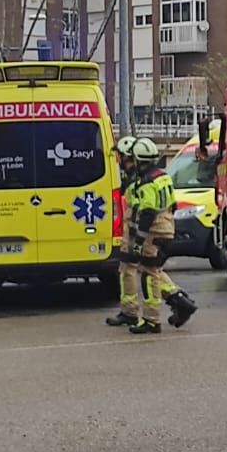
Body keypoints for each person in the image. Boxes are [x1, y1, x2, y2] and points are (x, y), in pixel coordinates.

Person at [125, 137, 197, 334]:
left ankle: (151, 319)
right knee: (154, 271)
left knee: (149, 275)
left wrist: (139, 240)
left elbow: (147, 213)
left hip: (154, 231)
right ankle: (179, 302)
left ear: (139, 160)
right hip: (167, 228)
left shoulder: (146, 183)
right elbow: (173, 205)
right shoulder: (163, 177)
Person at [105, 135, 143, 329]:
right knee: (130, 269)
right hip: (134, 228)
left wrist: (136, 236)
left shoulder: (136, 178)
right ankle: (128, 311)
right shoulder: (131, 175)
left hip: (137, 229)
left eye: (119, 155)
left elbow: (139, 208)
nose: (117, 159)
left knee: (143, 269)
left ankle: (177, 298)